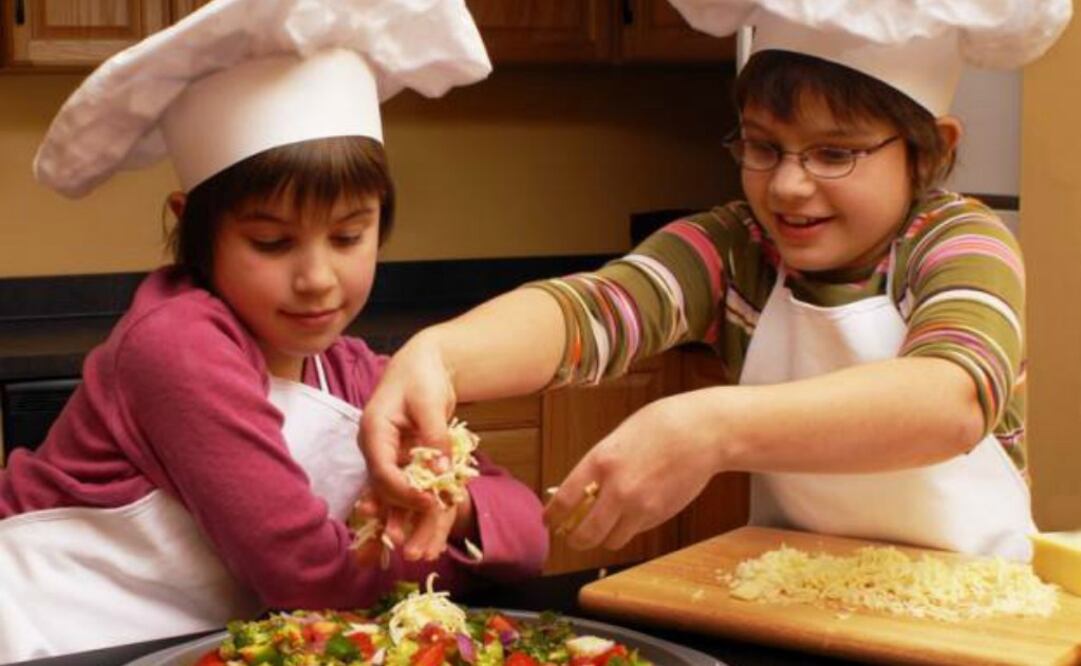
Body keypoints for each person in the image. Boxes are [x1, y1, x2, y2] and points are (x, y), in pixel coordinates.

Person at [361, 0, 1072, 566]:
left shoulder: (958, 241)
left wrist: (709, 428)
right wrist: (440, 356)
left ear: (931, 150)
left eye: (834, 153)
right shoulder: (737, 250)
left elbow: (948, 401)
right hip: (797, 597)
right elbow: (593, 311)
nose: (788, 186)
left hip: (975, 609)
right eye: (763, 146)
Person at [0, 0, 547, 661]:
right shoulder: (176, 344)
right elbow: (309, 579)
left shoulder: (355, 373)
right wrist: (454, 560)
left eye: (348, 236)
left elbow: (529, 529)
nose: (317, 278)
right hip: (47, 636)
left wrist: (452, 511)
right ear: (195, 226)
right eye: (271, 242)